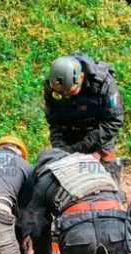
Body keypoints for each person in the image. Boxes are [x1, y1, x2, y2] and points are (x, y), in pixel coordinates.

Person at [44, 53, 124, 182]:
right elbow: (53, 121)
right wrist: (60, 148)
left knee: (108, 166)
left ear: (81, 77)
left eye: (70, 92)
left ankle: (115, 194)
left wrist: (81, 148)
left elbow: (114, 120)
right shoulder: (53, 85)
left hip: (98, 131)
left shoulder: (103, 83)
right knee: (57, 172)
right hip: (68, 131)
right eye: (61, 94)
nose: (66, 97)